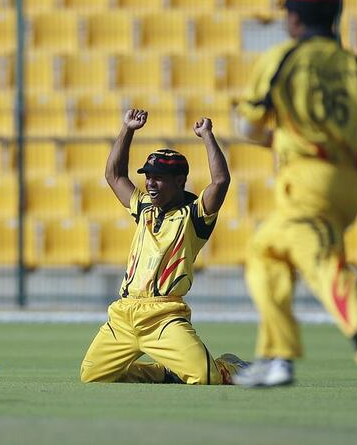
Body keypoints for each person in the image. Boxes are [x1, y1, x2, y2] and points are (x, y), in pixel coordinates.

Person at [231, 0, 357, 411]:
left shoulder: (282, 59)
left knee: (317, 262)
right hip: (348, 183)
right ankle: (276, 355)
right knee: (267, 251)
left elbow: (247, 127)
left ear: (294, 18)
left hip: (305, 180)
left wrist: (272, 136)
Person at [80, 110, 248, 385]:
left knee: (205, 377)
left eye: (158, 177)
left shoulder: (194, 215)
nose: (150, 183)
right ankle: (164, 372)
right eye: (148, 176)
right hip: (124, 313)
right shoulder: (144, 207)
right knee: (92, 375)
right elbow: (113, 175)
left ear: (180, 181)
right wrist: (127, 129)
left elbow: (220, 182)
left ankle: (232, 366)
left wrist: (207, 136)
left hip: (164, 316)